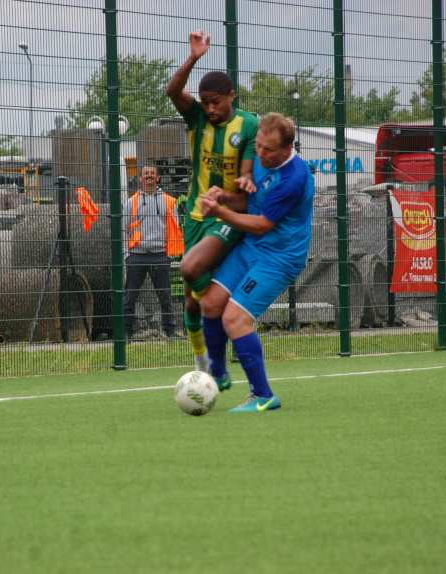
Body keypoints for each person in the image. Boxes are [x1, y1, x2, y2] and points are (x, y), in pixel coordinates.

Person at [199, 113, 314, 412]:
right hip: (253, 246)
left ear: (287, 149)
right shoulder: (263, 160)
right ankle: (219, 374)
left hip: (279, 257)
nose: (260, 155)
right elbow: (249, 204)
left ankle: (263, 396)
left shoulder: (295, 178)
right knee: (210, 303)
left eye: (268, 150)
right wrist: (223, 196)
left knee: (234, 319)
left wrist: (218, 211)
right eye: (259, 147)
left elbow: (263, 223)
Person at [166, 28, 258, 378]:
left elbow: (246, 184)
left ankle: (221, 355)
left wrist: (231, 192)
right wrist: (193, 57)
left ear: (231, 96)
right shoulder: (198, 118)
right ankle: (204, 360)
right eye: (205, 102)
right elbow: (172, 91)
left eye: (216, 101)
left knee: (190, 269)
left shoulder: (248, 125)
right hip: (195, 216)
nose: (210, 108)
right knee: (193, 300)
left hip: (229, 216)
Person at [123, 164, 184, 339]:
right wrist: (126, 255)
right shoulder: (130, 202)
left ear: (157, 178)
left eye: (152, 173)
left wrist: (169, 255)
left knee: (165, 297)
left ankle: (170, 333)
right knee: (130, 298)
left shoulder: (169, 202)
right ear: (140, 178)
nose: (149, 176)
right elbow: (123, 230)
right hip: (136, 255)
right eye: (145, 174)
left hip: (160, 255)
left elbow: (175, 228)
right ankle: (126, 334)